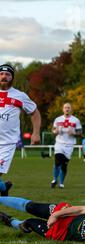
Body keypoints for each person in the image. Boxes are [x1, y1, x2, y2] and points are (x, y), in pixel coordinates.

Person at [0, 64, 41, 196]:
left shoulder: (19, 96)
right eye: (1, 74)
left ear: (12, 78)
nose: (4, 76)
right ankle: (3, 188)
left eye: (7, 74)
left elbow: (35, 113)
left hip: (7, 143)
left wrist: (35, 133)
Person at [51, 103, 82, 189]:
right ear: (63, 109)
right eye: (65, 107)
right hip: (59, 143)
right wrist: (55, 131)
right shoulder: (58, 119)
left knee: (64, 165)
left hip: (69, 145)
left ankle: (61, 183)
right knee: (57, 161)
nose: (67, 109)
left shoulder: (75, 120)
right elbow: (53, 130)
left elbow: (80, 133)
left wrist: (74, 133)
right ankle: (54, 180)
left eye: (68, 108)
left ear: (71, 109)